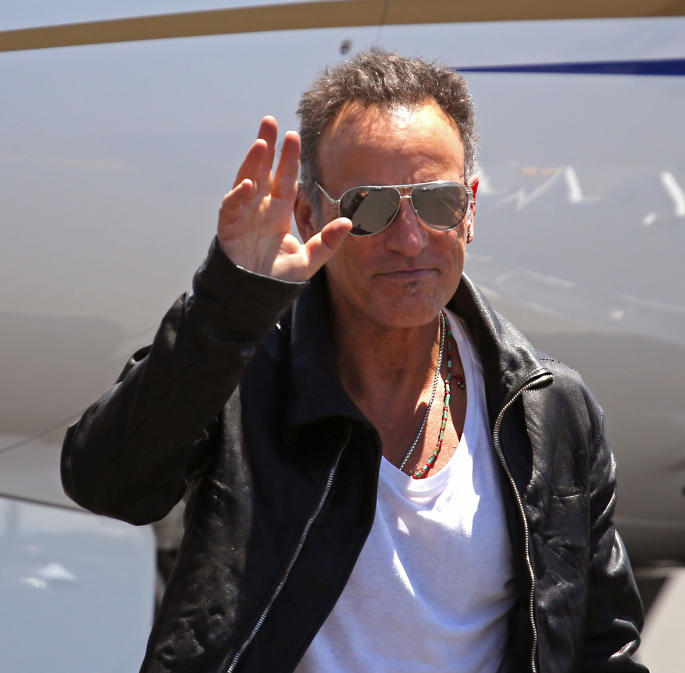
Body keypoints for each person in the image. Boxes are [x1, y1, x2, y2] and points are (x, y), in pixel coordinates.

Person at [61, 49, 648, 673]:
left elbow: (602, 645)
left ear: (471, 209)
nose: (410, 238)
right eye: (369, 208)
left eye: (437, 203)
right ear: (310, 215)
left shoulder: (548, 406)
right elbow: (110, 482)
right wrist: (228, 302)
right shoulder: (242, 367)